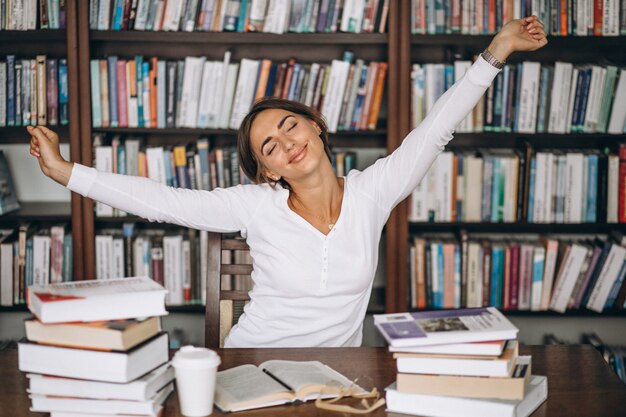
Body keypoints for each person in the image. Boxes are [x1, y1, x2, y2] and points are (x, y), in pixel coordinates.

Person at [28, 17, 547, 348]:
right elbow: (163, 201)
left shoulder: (374, 190)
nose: (287, 142)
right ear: (269, 170)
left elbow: (436, 130)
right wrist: (64, 171)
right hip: (251, 365)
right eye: (269, 147)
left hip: (339, 380)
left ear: (316, 126)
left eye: (290, 125)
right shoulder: (254, 205)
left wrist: (497, 50)